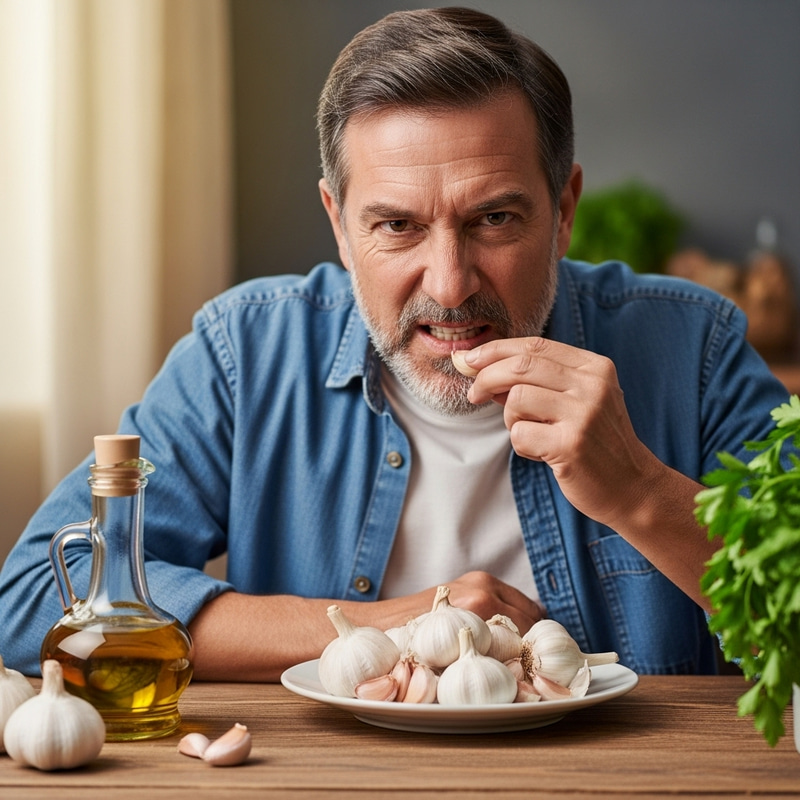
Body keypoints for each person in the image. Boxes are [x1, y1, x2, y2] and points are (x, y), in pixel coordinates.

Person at [0, 7, 789, 681]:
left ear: (565, 209)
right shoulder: (245, 352)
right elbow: (35, 595)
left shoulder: (695, 348)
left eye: (495, 220)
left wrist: (641, 493)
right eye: (397, 226)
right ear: (340, 225)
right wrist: (391, 626)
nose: (448, 285)